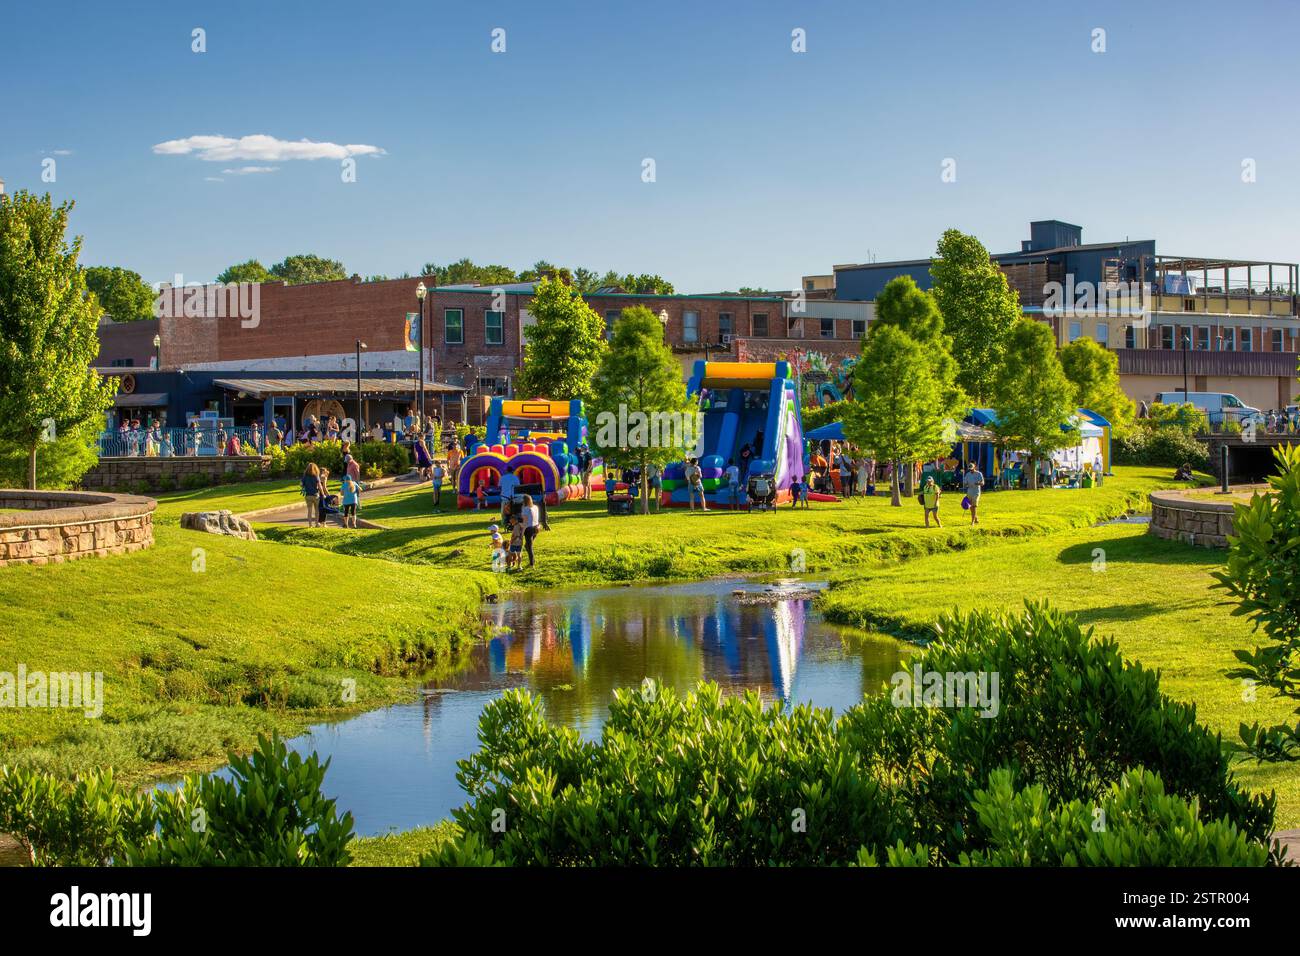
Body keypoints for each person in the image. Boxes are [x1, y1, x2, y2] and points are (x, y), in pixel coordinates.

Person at [520, 494, 541, 568]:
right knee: (527, 546)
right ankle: (533, 560)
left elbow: (525, 522)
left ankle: (532, 564)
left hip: (529, 529)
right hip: (536, 528)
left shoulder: (525, 509)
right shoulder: (535, 507)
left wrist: (522, 532)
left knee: (529, 547)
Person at [301, 463, 322, 528]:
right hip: (315, 495)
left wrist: (305, 486)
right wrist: (323, 494)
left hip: (308, 495)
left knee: (309, 511)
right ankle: (317, 524)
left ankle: (310, 525)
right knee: (317, 511)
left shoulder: (305, 476)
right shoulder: (316, 476)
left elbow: (301, 484)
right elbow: (319, 486)